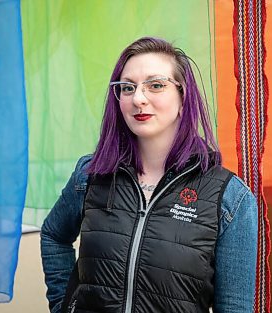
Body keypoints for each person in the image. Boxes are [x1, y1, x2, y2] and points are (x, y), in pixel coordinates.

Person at [41, 37, 258, 313]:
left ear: (184, 97)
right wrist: (64, 306)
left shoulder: (230, 199)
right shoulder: (90, 176)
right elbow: (53, 235)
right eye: (127, 87)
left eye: (155, 85)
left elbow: (236, 307)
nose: (138, 98)